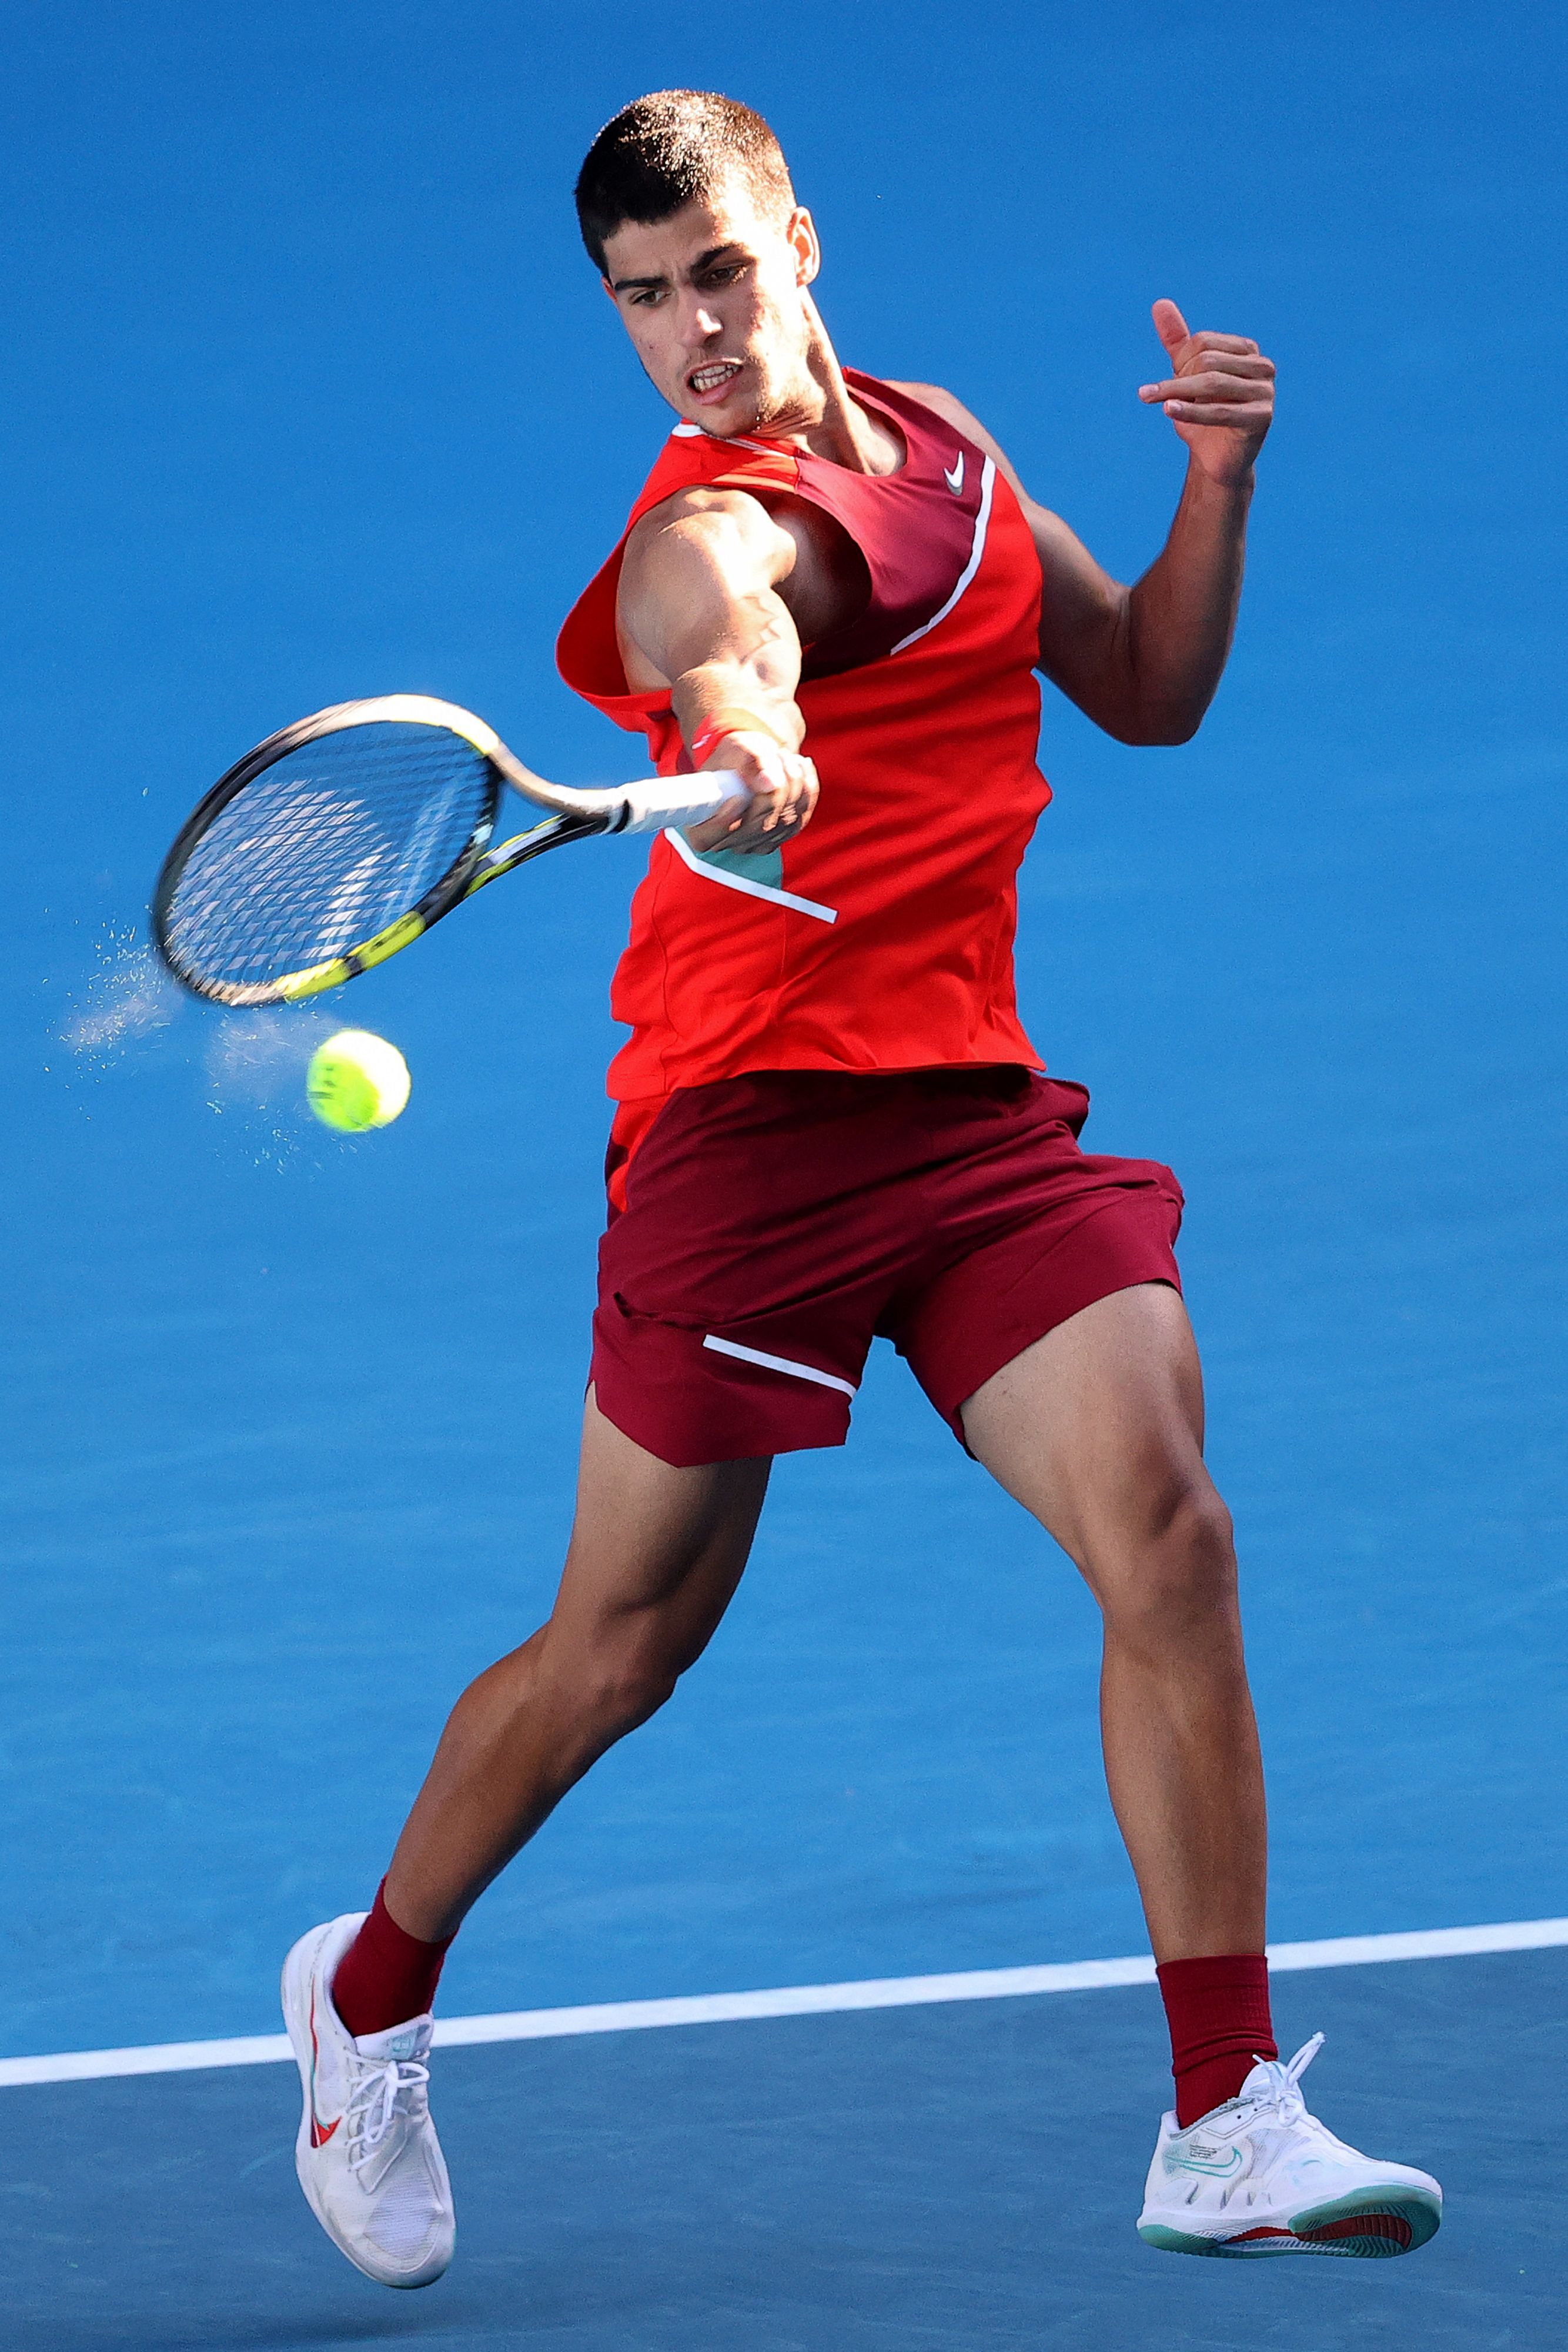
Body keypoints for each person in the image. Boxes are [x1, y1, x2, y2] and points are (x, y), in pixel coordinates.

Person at [280, 89, 1442, 2286]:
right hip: (746, 1135)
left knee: (1170, 1533)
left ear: (797, 239)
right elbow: (723, 622)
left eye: (717, 273)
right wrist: (747, 728)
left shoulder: (950, 447)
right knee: (623, 1651)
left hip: (973, 1120)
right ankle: (363, 1997)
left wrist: (1216, 484)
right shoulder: (699, 529)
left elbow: (1147, 691)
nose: (695, 337)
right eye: (642, 304)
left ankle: (1223, 2119)